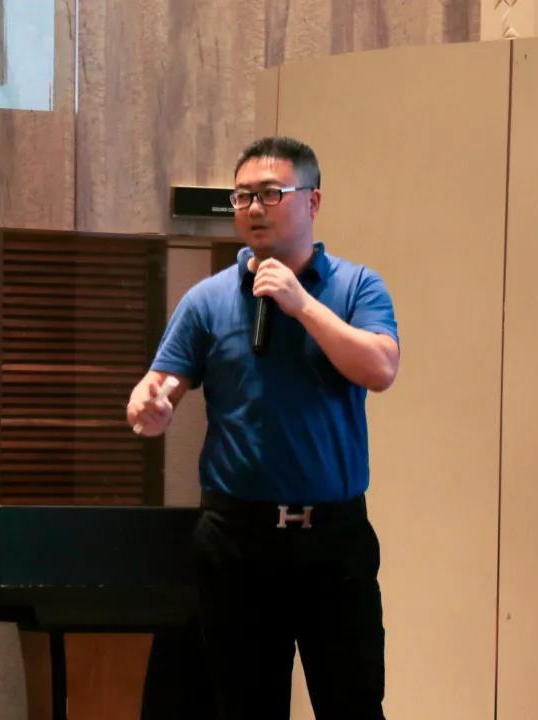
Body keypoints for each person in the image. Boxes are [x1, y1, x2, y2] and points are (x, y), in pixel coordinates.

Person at [127, 136, 399, 720]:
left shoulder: (357, 287)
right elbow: (161, 383)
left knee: (353, 704)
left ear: (312, 201)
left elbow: (380, 369)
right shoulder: (207, 300)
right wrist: (150, 403)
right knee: (242, 708)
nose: (253, 207)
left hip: (334, 540)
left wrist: (302, 305)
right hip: (236, 541)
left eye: (271, 193)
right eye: (242, 196)